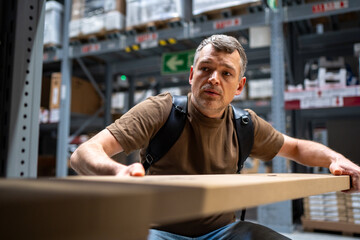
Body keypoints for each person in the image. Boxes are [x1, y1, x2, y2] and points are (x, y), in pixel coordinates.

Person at [70, 34, 360, 239]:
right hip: (158, 231)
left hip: (224, 232)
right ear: (192, 74)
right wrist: (117, 172)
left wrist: (337, 160)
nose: (213, 79)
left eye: (226, 73)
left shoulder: (244, 124)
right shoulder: (161, 110)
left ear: (239, 86)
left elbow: (296, 148)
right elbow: (83, 153)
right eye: (206, 69)